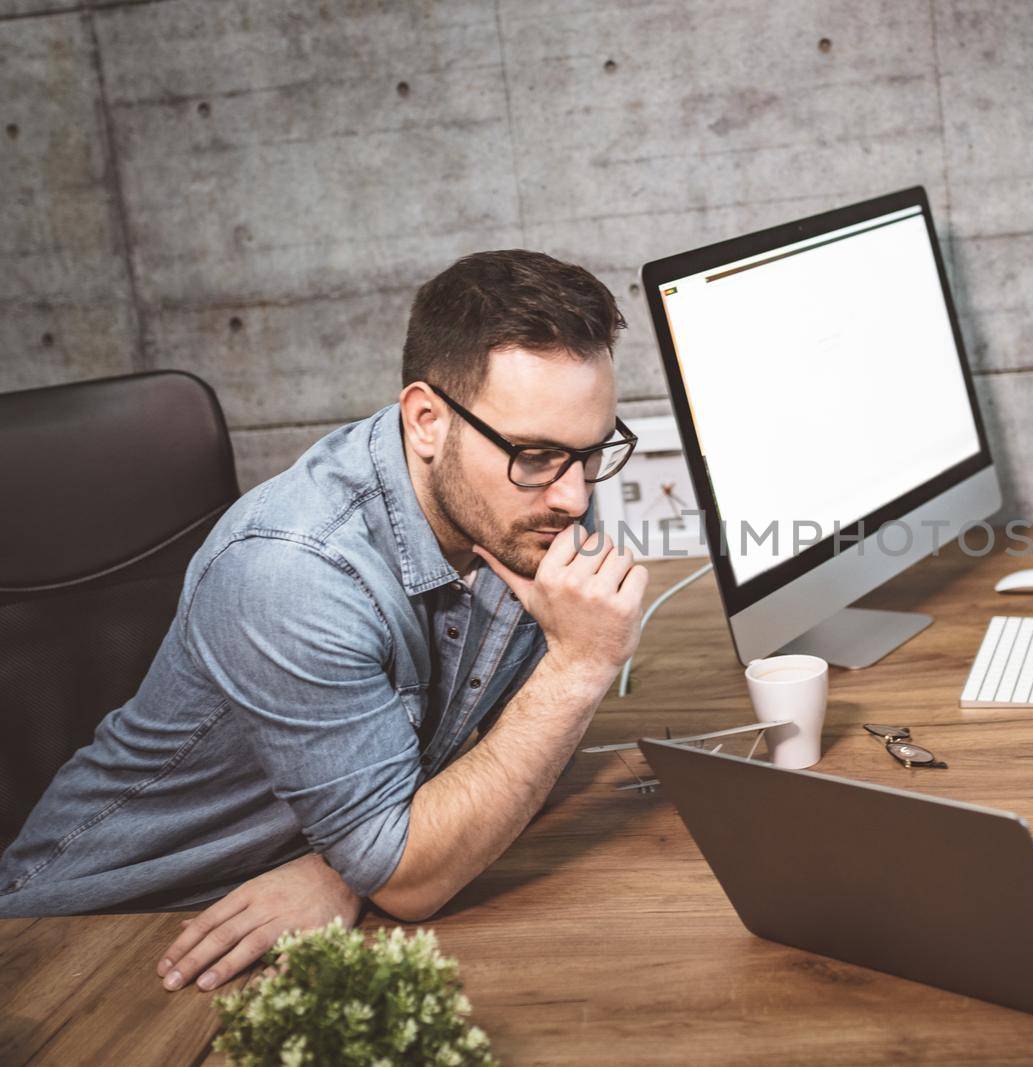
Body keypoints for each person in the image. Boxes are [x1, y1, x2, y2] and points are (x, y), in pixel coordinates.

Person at [0, 250, 649, 998]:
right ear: (427, 421)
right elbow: (411, 879)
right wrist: (579, 665)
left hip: (281, 904)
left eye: (592, 450)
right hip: (102, 932)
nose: (573, 495)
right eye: (536, 455)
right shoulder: (293, 570)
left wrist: (347, 863)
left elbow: (520, 758)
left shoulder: (531, 498)